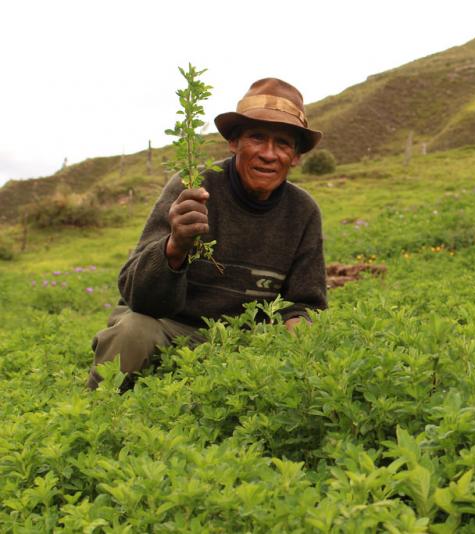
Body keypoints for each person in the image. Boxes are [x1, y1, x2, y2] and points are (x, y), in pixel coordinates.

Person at [87, 78, 327, 390]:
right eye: (256, 137)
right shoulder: (193, 186)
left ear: (295, 157)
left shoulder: (303, 211)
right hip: (169, 327)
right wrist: (175, 247)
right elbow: (136, 294)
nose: (269, 154)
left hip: (241, 342)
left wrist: (296, 329)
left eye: (282, 143)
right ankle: (98, 413)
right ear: (234, 143)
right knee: (132, 331)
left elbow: (306, 304)